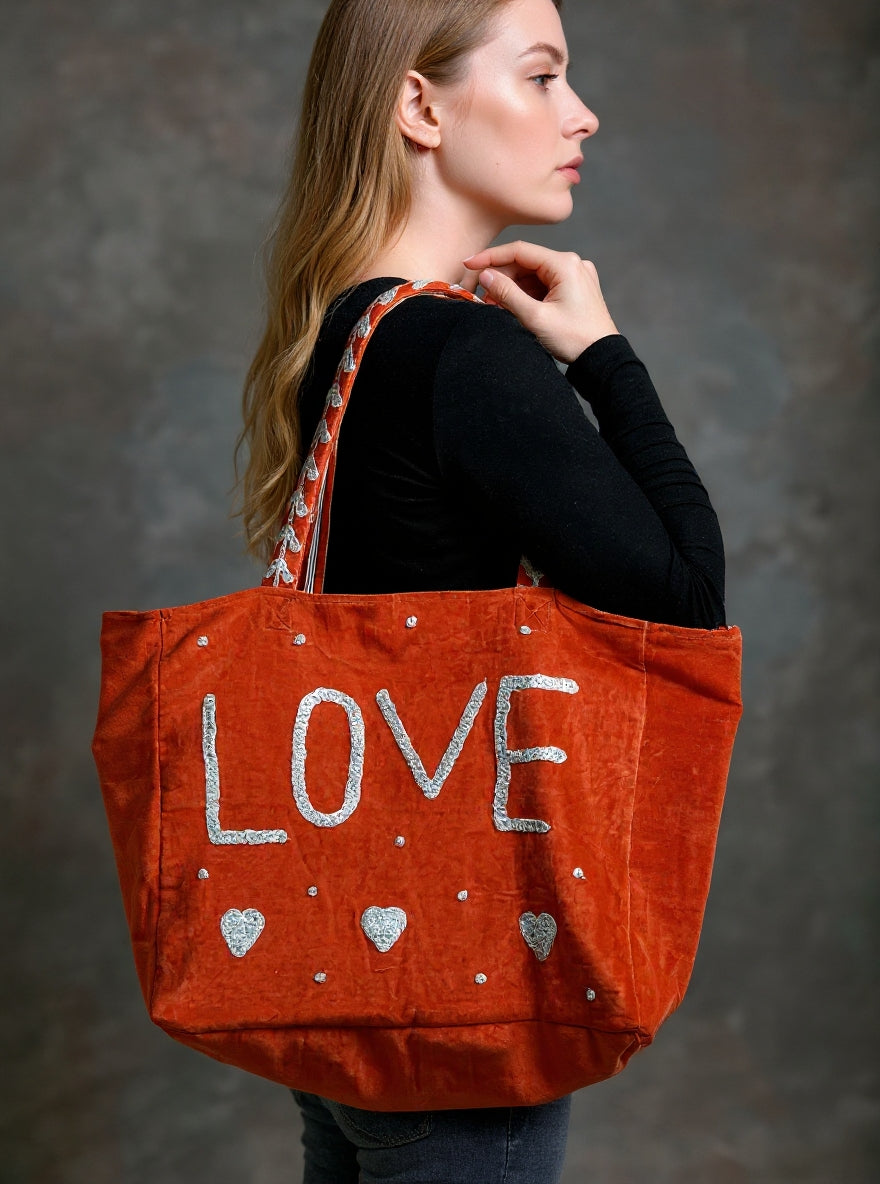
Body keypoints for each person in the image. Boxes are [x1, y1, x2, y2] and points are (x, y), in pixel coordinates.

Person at [236, 0, 726, 1179]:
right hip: (458, 993)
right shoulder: (463, 352)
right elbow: (684, 596)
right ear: (418, 106)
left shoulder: (350, 335)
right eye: (546, 76)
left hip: (342, 970)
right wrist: (604, 355)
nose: (582, 112)